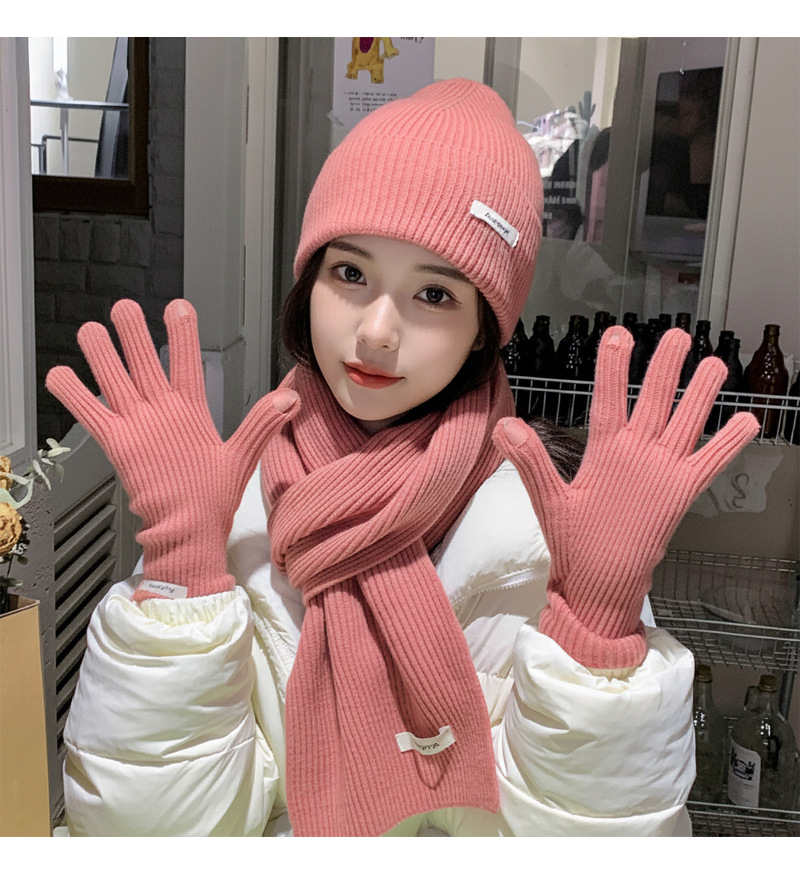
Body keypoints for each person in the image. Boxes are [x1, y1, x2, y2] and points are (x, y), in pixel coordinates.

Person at [46, 78, 758, 837]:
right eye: (350, 274)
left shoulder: (559, 536)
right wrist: (181, 577)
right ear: (308, 283)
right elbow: (145, 835)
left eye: (435, 295)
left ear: (484, 330)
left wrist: (596, 634)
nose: (377, 332)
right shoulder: (221, 507)